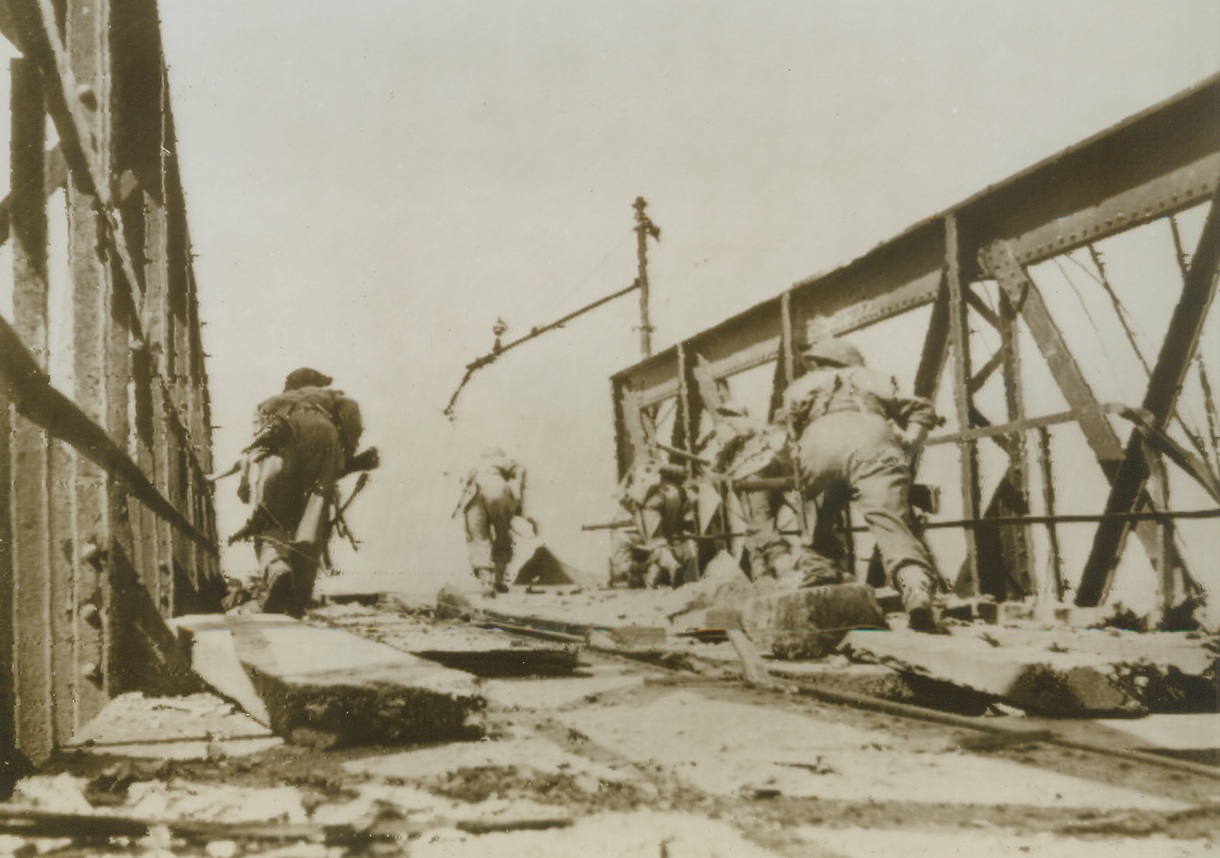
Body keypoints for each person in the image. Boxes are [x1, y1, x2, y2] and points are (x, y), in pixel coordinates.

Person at [778, 337, 945, 631]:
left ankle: (822, 592)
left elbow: (785, 436)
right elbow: (921, 409)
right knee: (892, 526)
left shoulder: (798, 387)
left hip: (819, 444)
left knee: (815, 530)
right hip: (872, 440)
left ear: (820, 362)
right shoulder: (873, 378)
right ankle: (915, 591)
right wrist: (909, 440)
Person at [234, 367, 365, 617]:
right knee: (312, 524)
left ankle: (277, 568)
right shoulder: (333, 398)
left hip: (281, 434)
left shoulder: (271, 403)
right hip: (324, 432)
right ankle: (297, 603)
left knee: (267, 519)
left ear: (290, 387)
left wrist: (244, 483)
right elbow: (352, 418)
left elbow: (253, 450)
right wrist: (344, 454)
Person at [456, 448, 532, 596]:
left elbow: (462, 484)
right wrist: (518, 501)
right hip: (497, 489)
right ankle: (499, 580)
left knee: (478, 539)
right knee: (503, 535)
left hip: (472, 494)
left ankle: (486, 584)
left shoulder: (473, 462)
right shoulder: (505, 460)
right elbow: (520, 472)